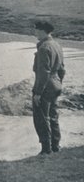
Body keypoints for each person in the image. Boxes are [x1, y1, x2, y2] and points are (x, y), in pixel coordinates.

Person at [32, 21, 66, 155]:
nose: (34, 32)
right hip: (56, 84)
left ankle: (46, 149)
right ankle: (55, 146)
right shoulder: (57, 45)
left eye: (35, 30)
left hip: (46, 86)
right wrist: (58, 83)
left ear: (42, 31)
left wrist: (38, 93)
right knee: (53, 116)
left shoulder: (43, 48)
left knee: (41, 118)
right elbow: (62, 70)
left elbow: (43, 73)